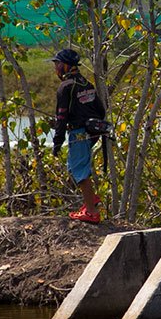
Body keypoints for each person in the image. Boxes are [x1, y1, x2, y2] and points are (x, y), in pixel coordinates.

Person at [50, 48, 107, 224]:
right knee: (75, 167)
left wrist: (57, 142)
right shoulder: (86, 84)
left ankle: (91, 212)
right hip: (91, 133)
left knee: (80, 172)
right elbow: (101, 110)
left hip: (79, 133)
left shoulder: (65, 87)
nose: (56, 68)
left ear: (66, 65)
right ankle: (92, 199)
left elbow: (61, 117)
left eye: (57, 64)